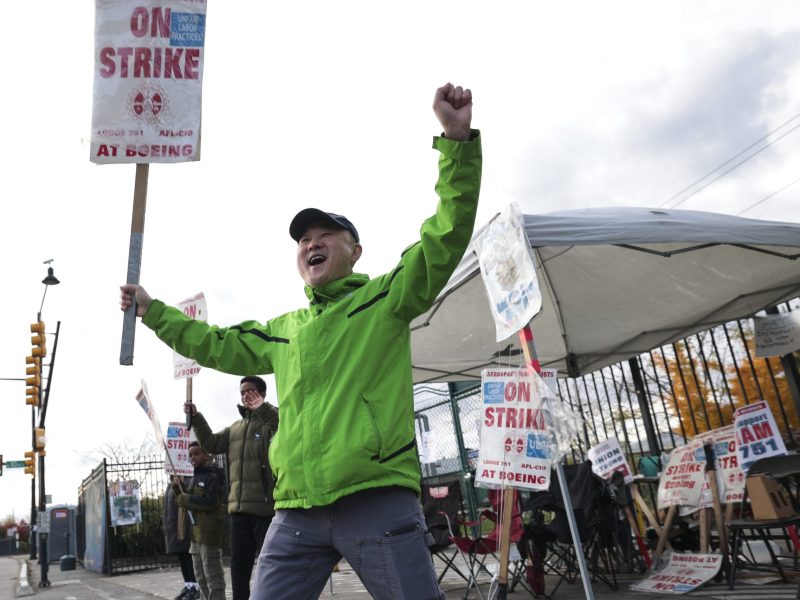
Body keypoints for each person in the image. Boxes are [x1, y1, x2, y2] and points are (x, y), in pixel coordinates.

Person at [120, 82, 481, 599]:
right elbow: (216, 342)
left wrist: (458, 145)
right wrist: (154, 312)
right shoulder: (283, 330)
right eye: (303, 240)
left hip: (375, 498)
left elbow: (445, 237)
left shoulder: (387, 298)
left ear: (354, 251)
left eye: (325, 235)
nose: (311, 243)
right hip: (296, 511)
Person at [184, 376, 279, 600]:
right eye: (242, 391)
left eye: (251, 391)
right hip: (238, 509)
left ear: (263, 394)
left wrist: (262, 409)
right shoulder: (236, 428)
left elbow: (282, 427)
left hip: (265, 509)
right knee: (239, 567)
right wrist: (197, 418)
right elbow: (211, 444)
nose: (246, 395)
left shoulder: (272, 418)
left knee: (270, 565)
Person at [174, 442, 226, 600]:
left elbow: (210, 502)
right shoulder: (196, 477)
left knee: (213, 578)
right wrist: (178, 487)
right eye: (190, 455)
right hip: (195, 537)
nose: (192, 458)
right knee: (201, 578)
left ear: (207, 455)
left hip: (209, 536)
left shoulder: (213, 477)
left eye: (196, 453)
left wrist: (187, 498)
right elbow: (187, 497)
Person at [163, 476, 200, 600]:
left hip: (184, 525)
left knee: (187, 556)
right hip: (173, 527)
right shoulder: (170, 485)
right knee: (181, 557)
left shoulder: (189, 482)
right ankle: (188, 585)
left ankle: (195, 587)